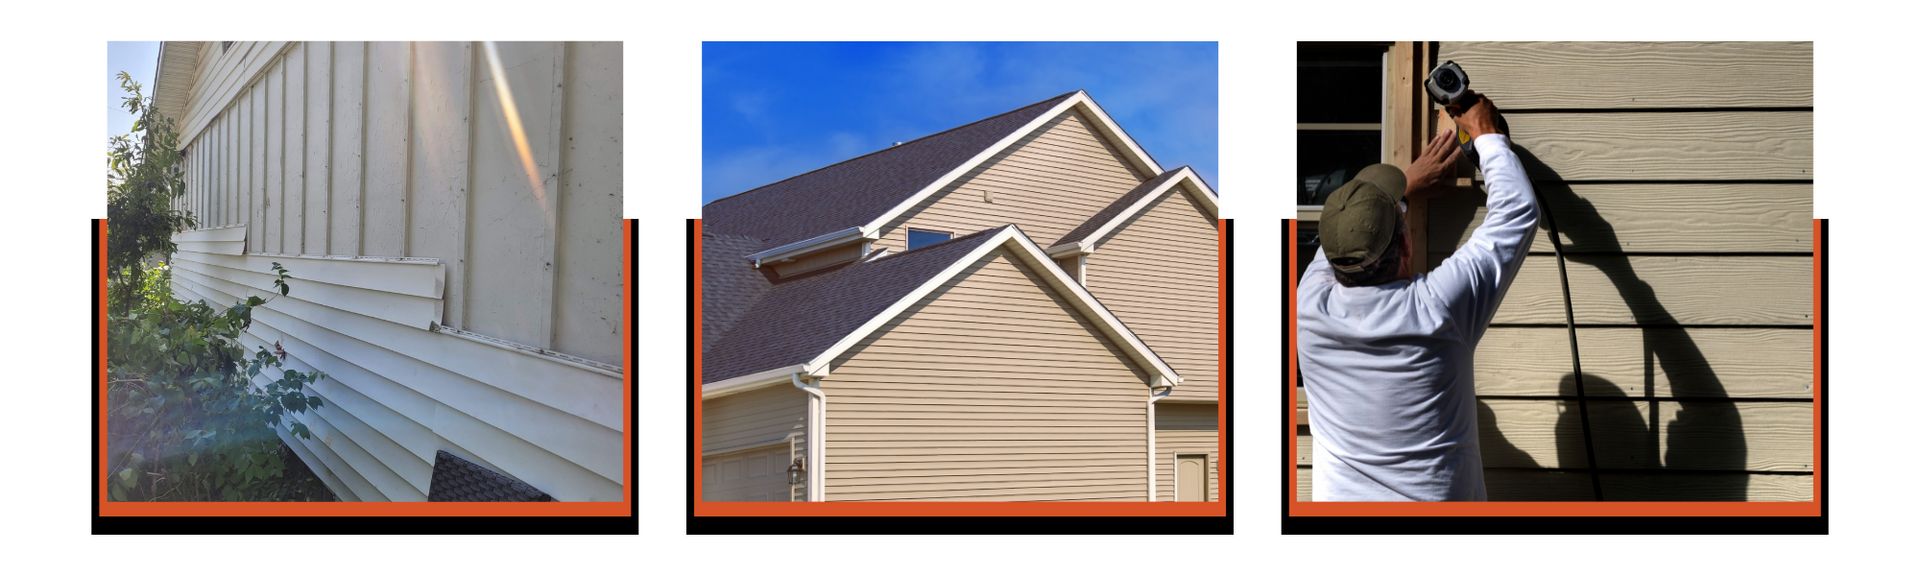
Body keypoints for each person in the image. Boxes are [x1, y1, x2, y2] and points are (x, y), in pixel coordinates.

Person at [1296, 91, 1537, 501]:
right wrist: (1486, 133)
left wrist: (1404, 187)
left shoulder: (1308, 306)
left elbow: (1345, 238)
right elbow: (1516, 211)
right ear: (1407, 248)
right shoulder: (1436, 309)